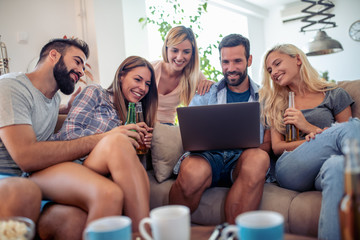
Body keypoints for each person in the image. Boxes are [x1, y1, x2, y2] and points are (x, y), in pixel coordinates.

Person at [0, 38, 149, 236]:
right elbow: (27, 156)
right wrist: (106, 136)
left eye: (83, 65)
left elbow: (46, 116)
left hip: (52, 171)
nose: (80, 71)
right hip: (21, 173)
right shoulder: (11, 87)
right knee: (110, 183)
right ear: (53, 55)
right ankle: (146, 234)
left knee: (78, 219)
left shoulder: (52, 100)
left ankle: (143, 232)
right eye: (77, 61)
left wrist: (67, 108)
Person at [259, 43, 358, 240]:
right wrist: (312, 140)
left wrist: (310, 129)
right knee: (353, 127)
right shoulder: (275, 102)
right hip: (293, 167)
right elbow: (278, 148)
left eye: (277, 64)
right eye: (270, 70)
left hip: (326, 167)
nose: (274, 73)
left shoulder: (334, 94)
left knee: (338, 166)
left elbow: (346, 138)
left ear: (297, 59)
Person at [169, 33, 271, 224]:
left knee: (259, 158)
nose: (231, 68)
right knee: (192, 172)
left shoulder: (266, 98)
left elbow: (269, 144)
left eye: (237, 61)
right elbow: (189, 133)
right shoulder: (207, 92)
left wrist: (249, 146)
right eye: (225, 62)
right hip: (209, 157)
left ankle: (232, 235)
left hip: (244, 160)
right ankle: (170, 232)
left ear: (249, 60)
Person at [53, 55, 158, 231]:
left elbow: (133, 171)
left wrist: (143, 148)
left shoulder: (136, 114)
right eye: (138, 79)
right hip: (72, 164)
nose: (142, 88)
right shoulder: (95, 93)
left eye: (147, 84)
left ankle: (141, 231)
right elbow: (68, 135)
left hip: (103, 169)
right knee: (117, 141)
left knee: (121, 146)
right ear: (121, 76)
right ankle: (144, 232)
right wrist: (112, 135)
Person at [152, 25, 214, 125]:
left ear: (192, 54)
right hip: (144, 124)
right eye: (175, 50)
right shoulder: (151, 69)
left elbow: (215, 96)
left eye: (186, 52)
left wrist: (211, 85)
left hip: (166, 128)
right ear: (166, 49)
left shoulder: (194, 76)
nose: (180, 57)